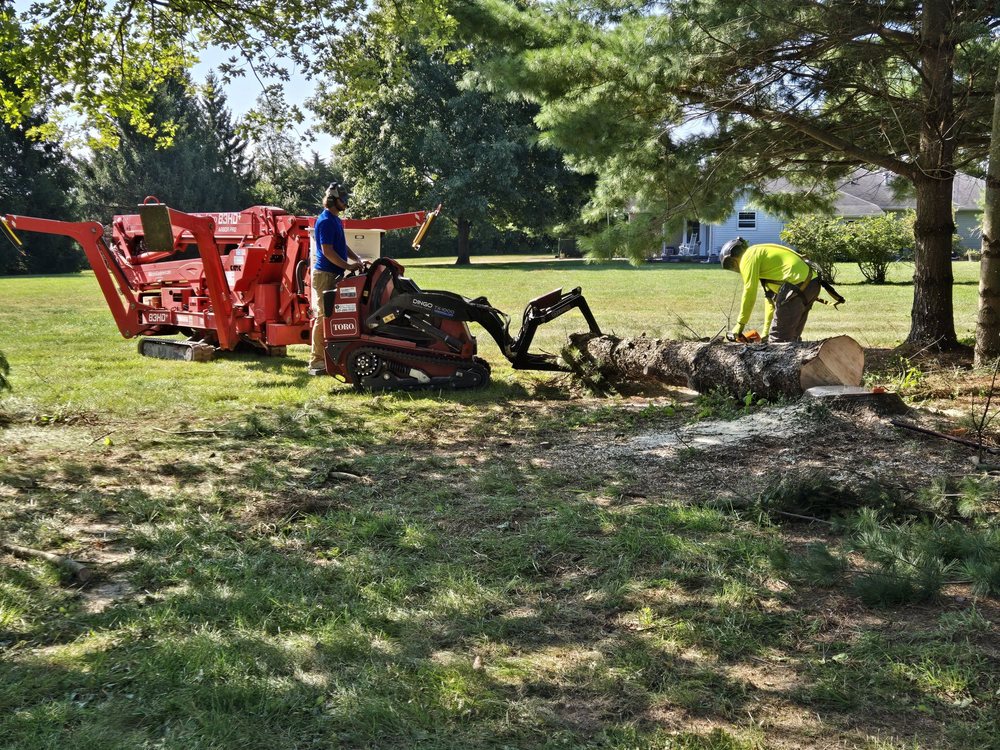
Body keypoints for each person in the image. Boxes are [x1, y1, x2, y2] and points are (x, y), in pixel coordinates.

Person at [308, 183, 366, 375]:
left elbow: (341, 245)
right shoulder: (325, 221)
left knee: (337, 315)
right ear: (333, 200)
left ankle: (332, 355)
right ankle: (316, 361)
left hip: (335, 273)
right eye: (343, 200)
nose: (346, 203)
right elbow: (328, 251)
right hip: (325, 275)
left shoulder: (335, 220)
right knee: (324, 316)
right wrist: (348, 266)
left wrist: (356, 259)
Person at [719, 237, 822, 343]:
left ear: (734, 260)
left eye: (732, 266)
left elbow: (749, 291)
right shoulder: (763, 260)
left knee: (779, 341)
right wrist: (765, 333)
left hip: (796, 285)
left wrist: (740, 324)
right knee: (792, 338)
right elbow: (771, 302)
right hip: (812, 284)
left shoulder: (748, 257)